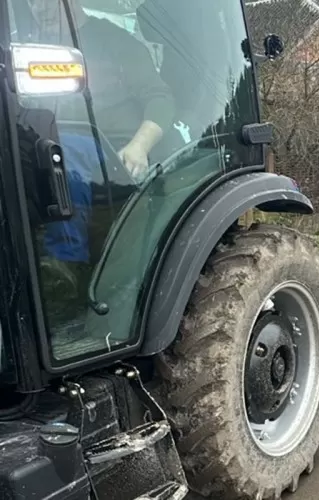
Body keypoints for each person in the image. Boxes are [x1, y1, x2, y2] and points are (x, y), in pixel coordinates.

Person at [24, 0, 176, 327]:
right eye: (30, 1)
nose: (38, 7)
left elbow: (161, 99)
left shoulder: (115, 42)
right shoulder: (31, 48)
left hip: (110, 148)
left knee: (63, 154)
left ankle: (63, 268)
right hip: (50, 142)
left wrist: (139, 145)